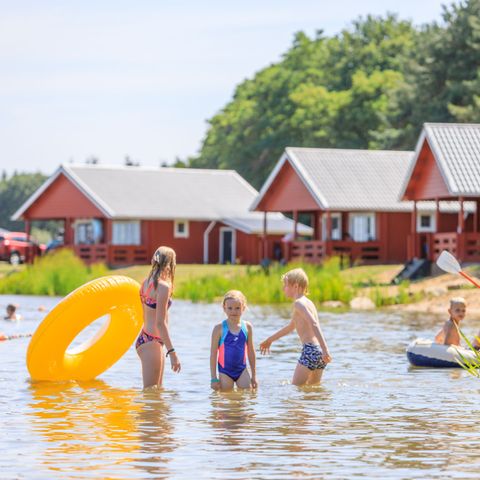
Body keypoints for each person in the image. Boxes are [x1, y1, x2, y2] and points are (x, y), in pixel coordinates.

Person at [260, 268, 332, 386]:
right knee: (313, 391)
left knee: (296, 388)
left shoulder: (298, 303)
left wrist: (326, 349)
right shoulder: (309, 303)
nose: (283, 288)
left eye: (286, 285)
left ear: (296, 286)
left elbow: (314, 323)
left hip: (310, 350)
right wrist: (269, 340)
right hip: (318, 351)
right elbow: (290, 327)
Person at [136, 246, 181, 389]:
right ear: (170, 264)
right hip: (152, 342)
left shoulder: (146, 282)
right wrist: (172, 352)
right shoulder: (163, 287)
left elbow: (145, 314)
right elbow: (160, 323)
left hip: (146, 338)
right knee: (151, 392)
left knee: (156, 393)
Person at [210, 290, 257, 391]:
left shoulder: (247, 327)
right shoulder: (219, 328)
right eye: (230, 308)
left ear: (243, 308)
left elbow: (251, 352)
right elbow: (213, 354)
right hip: (225, 372)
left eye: (237, 308)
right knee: (227, 399)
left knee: (248, 395)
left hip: (242, 370)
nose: (233, 312)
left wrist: (254, 376)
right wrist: (213, 378)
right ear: (224, 308)